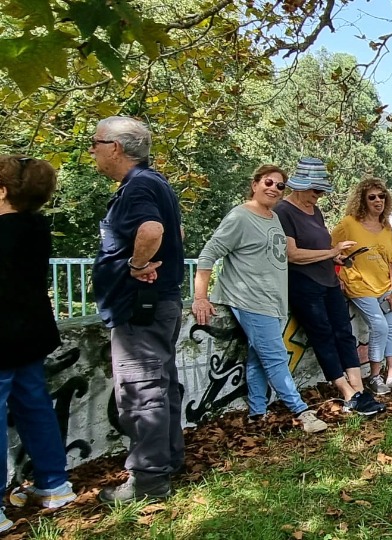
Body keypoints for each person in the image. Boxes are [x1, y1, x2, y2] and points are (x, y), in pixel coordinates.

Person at [90, 116, 187, 503]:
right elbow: (174, 232)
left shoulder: (137, 187)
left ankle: (148, 482)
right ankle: (168, 460)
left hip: (140, 308)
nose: (93, 150)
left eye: (95, 143)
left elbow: (153, 231)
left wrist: (135, 266)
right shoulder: (157, 182)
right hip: (160, 303)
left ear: (115, 148)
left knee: (140, 390)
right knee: (161, 384)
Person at [191, 165, 329, 433]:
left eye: (280, 186)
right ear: (254, 184)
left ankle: (257, 413)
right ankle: (301, 412)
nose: (274, 188)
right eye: (268, 182)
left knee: (259, 358)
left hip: (273, 301)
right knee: (276, 358)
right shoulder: (240, 217)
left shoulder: (272, 217)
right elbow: (209, 254)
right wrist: (200, 297)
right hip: (250, 299)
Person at [0, 155, 77, 530]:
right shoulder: (36, 227)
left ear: (3, 192)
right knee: (34, 405)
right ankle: (54, 484)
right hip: (30, 332)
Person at [276, 157, 384, 416]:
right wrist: (330, 252)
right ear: (300, 186)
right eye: (315, 190)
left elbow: (320, 247)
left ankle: (358, 389)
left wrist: (335, 256)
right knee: (322, 335)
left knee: (344, 332)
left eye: (321, 191)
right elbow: (292, 254)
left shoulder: (315, 210)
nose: (318, 196)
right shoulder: (283, 211)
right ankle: (346, 392)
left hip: (328, 279)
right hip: (304, 282)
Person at [332, 178, 392, 392]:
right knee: (379, 326)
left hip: (384, 286)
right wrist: (337, 275)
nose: (377, 200)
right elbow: (330, 249)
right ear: (362, 200)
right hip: (359, 284)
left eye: (381, 196)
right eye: (372, 197)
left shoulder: (385, 227)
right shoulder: (348, 224)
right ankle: (374, 377)